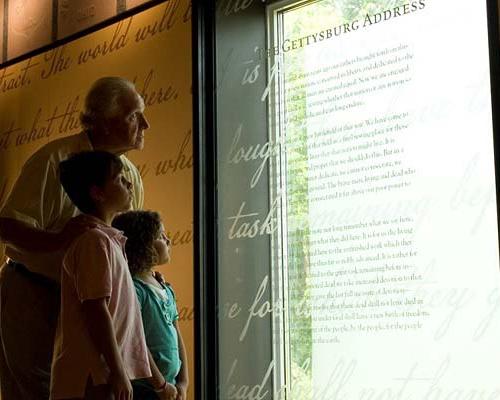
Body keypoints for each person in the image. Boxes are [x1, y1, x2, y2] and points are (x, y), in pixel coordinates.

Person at [0, 77, 149, 399]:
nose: (146, 125)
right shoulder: (54, 160)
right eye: (135, 116)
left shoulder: (131, 175)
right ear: (105, 121)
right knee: (34, 389)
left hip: (88, 303)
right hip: (35, 291)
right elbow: (7, 226)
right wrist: (57, 240)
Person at [53, 151, 169, 400]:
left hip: (105, 375)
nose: (128, 183)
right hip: (94, 376)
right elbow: (96, 309)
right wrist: (117, 371)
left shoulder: (110, 241)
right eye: (118, 179)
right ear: (98, 193)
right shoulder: (94, 241)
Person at [112, 211, 189, 400]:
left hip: (170, 387)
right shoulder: (134, 290)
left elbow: (178, 336)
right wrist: (160, 385)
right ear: (143, 245)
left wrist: (183, 382)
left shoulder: (165, 288)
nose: (168, 240)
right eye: (160, 236)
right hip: (145, 388)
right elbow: (136, 343)